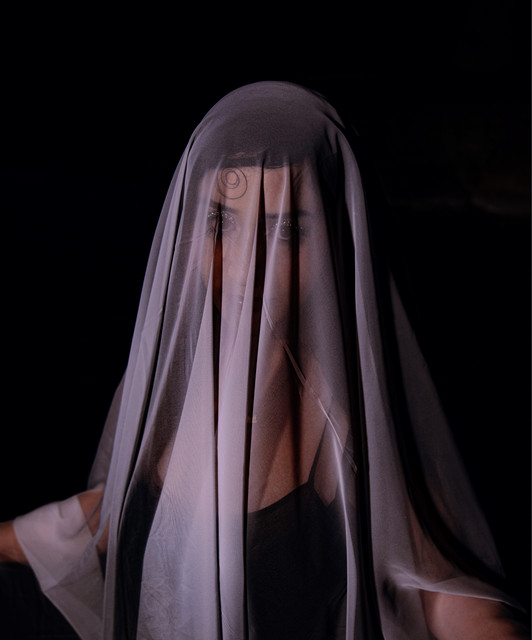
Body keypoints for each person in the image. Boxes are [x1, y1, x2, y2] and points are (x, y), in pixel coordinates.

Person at [0, 81, 528, 639]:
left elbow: (439, 591)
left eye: (287, 230)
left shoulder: (341, 412)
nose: (247, 264)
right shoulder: (162, 377)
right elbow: (119, 510)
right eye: (220, 221)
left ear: (337, 241)